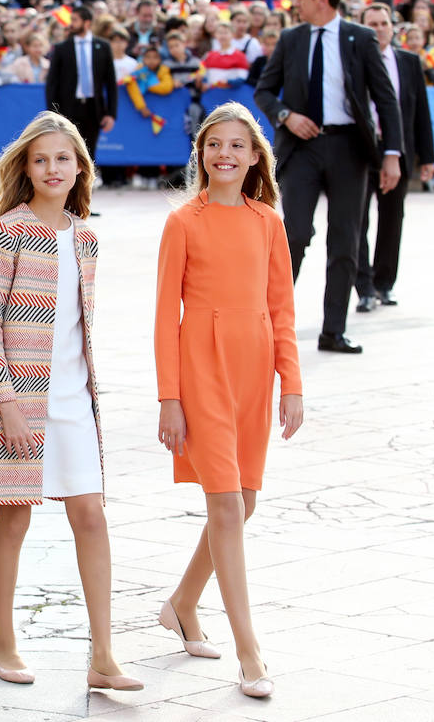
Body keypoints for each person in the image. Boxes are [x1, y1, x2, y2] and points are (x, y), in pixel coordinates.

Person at [0, 112, 141, 692]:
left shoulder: (87, 236)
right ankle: (5, 643)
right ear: (26, 166)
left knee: (90, 515)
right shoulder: (5, 229)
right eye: (40, 159)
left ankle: (103, 654)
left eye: (62, 159)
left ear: (78, 168)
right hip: (18, 397)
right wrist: (4, 399)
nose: (51, 168)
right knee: (14, 518)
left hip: (74, 400)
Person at [154, 102, 303, 700]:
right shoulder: (182, 222)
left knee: (244, 503)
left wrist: (290, 382)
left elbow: (284, 309)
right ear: (201, 153)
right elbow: (166, 317)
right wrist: (170, 397)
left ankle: (183, 603)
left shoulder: (268, 221)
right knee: (224, 507)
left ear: (254, 156)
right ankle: (250, 653)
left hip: (254, 371)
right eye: (215, 144)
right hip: (201, 368)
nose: (225, 154)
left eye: (237, 145)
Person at [253, 0, 402, 354]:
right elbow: (265, 91)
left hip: (349, 147)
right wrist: (287, 115)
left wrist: (392, 156)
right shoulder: (291, 39)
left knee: (345, 239)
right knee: (295, 233)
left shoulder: (360, 37)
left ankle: (333, 331)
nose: (294, 2)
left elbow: (386, 99)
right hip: (302, 149)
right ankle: (268, 325)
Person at [355, 4, 434, 312]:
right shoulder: (353, 61)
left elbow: (421, 112)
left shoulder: (409, 62)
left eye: (383, 23)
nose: (378, 29)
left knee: (392, 218)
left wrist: (426, 156)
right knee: (356, 219)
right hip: (362, 149)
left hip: (398, 148)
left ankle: (383, 282)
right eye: (371, 23)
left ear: (393, 27)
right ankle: (363, 287)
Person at [45, 5, 116, 167]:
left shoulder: (103, 47)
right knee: (67, 147)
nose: (71, 24)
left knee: (90, 148)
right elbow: (52, 83)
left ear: (87, 23)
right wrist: (53, 113)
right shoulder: (62, 48)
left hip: (94, 106)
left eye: (75, 20)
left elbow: (110, 83)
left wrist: (111, 113)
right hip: (68, 106)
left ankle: (87, 182)